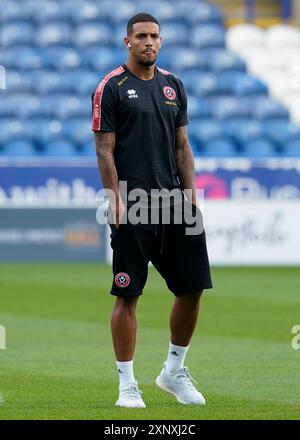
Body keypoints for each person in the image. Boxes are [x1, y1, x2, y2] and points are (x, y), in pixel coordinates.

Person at [92, 12, 212, 408]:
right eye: (141, 35)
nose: (149, 42)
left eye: (155, 36)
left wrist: (192, 193)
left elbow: (182, 146)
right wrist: (115, 199)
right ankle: (127, 383)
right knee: (128, 295)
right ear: (127, 41)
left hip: (176, 204)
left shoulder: (173, 86)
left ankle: (173, 371)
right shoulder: (111, 87)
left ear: (161, 41)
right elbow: (104, 149)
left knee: (193, 289)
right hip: (133, 205)